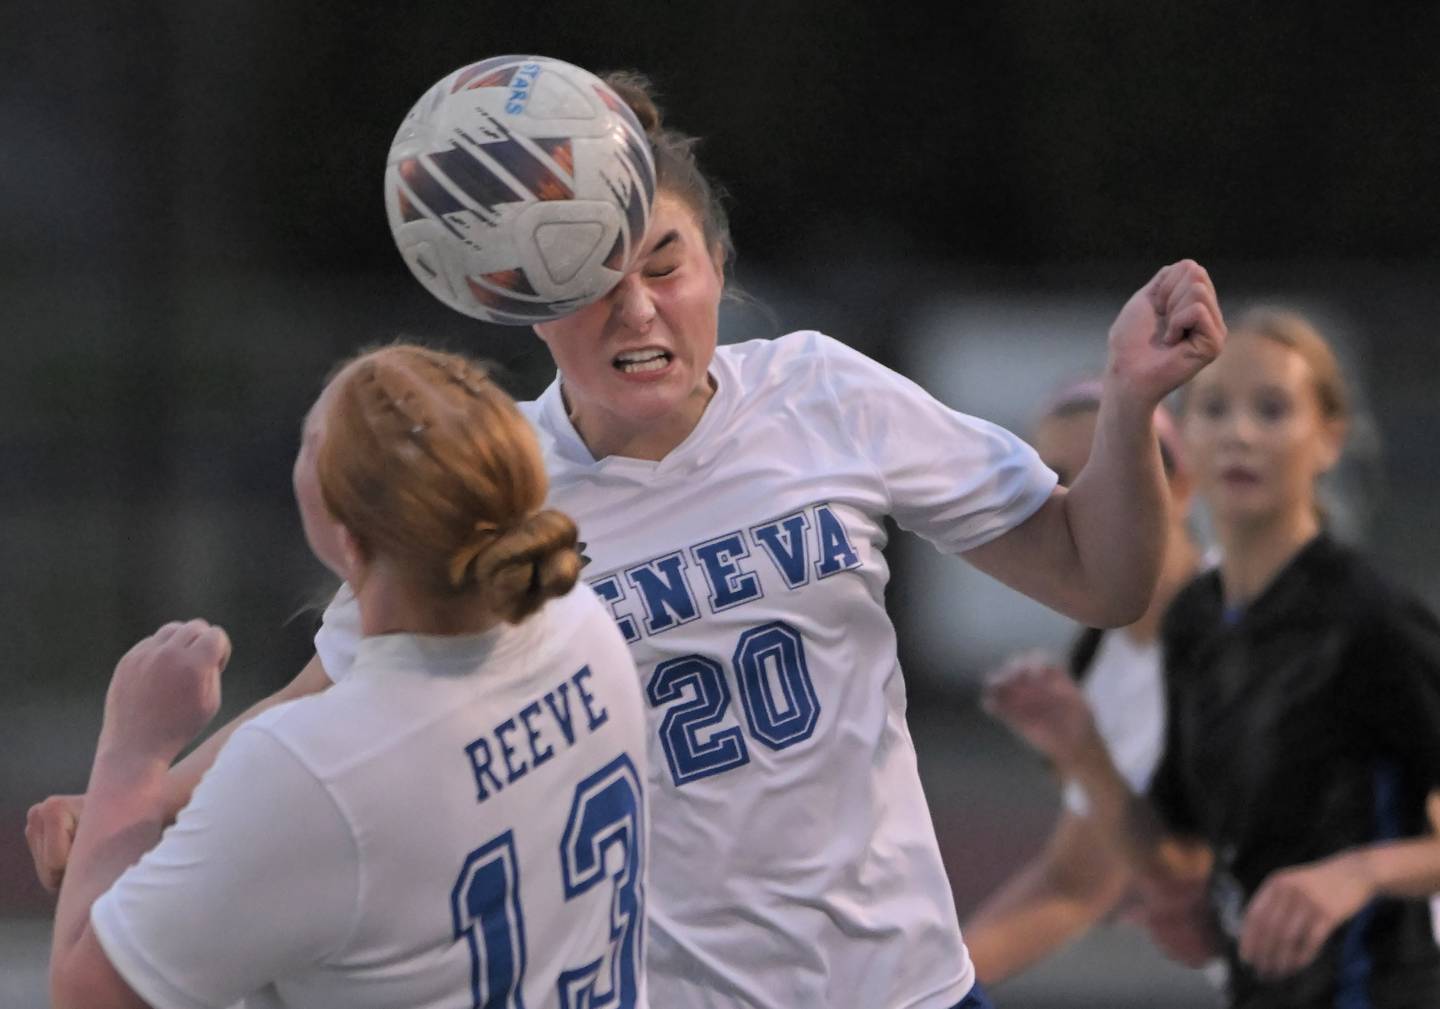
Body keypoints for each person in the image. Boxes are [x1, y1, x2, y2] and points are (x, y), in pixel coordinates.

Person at [30, 71, 1226, 1009]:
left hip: (908, 987)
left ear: (717, 267)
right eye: (591, 276)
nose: (638, 307)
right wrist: (135, 808)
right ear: (521, 295)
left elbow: (1099, 577)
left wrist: (1128, 405)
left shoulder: (825, 394)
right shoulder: (495, 473)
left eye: (666, 264)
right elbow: (324, 692)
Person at [45, 345, 650, 1009]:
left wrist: (134, 754)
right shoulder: (580, 619)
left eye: (313, 443)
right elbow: (332, 684)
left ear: (348, 539)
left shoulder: (310, 772)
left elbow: (89, 995)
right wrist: (133, 810)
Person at [986, 308, 1440, 1008]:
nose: (1240, 433)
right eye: (1215, 409)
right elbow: (1178, 861)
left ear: (1329, 438)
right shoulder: (1195, 626)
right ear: (1189, 442)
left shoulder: (1367, 618)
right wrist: (1083, 752)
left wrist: (1358, 872)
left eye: (1271, 408)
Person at [963, 379, 1206, 984]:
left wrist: (1087, 756)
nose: (1074, 504)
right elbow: (1075, 885)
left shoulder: (1263, 624)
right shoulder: (1106, 668)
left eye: (1107, 470)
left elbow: (1186, 874)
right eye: (1050, 481)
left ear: (1181, 485)